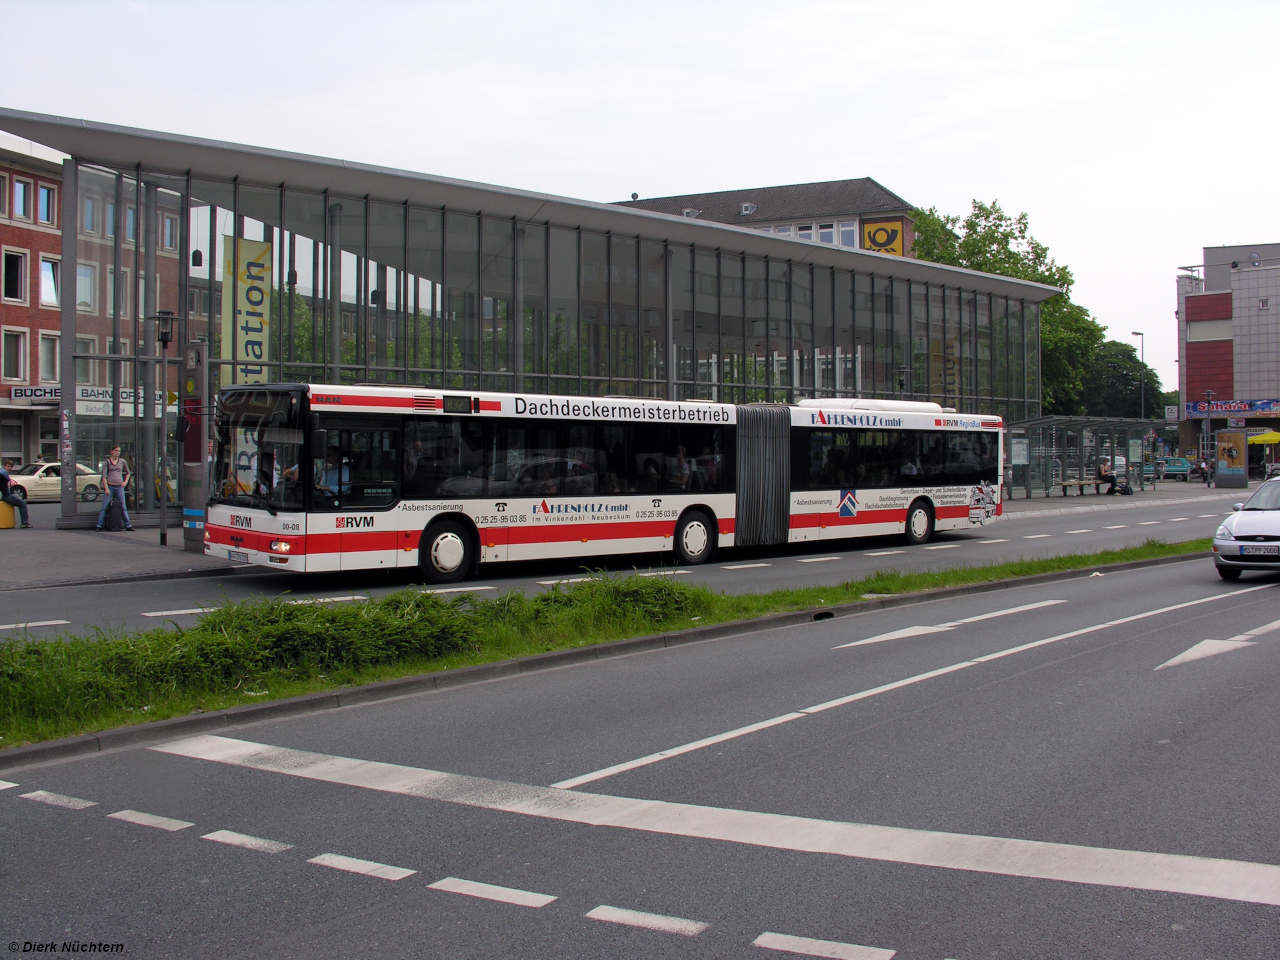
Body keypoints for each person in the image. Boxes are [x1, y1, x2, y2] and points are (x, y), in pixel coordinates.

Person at [96, 445, 134, 531]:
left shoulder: (122, 461)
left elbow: (128, 472)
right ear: (112, 451)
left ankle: (128, 525)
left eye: (119, 451)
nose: (118, 453)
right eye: (116, 451)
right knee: (104, 506)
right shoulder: (107, 462)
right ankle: (99, 525)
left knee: (123, 506)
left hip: (119, 486)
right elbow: (104, 476)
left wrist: (125, 482)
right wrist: (106, 488)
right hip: (110, 486)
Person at [0, 458, 32, 528]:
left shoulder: (4, 473)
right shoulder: (3, 472)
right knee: (22, 504)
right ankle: (24, 523)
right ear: (4, 466)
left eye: (11, 467)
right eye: (8, 466)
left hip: (5, 494)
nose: (9, 468)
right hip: (6, 496)